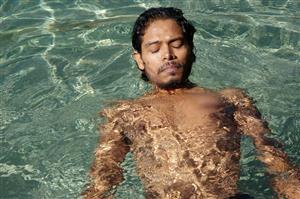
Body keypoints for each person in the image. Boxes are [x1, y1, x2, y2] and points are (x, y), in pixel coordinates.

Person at [84, 7, 300, 199]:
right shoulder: (123, 112)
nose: (168, 55)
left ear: (191, 49)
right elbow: (104, 175)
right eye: (155, 49)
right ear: (140, 59)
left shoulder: (230, 100)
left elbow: (274, 159)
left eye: (177, 44)